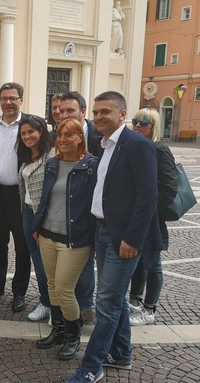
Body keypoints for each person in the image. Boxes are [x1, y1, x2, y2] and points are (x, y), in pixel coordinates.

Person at [67, 92, 161, 383]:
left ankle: (92, 367)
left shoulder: (138, 145)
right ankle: (122, 353)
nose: (97, 117)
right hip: (102, 231)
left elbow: (148, 197)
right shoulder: (103, 144)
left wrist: (133, 239)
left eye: (105, 112)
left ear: (123, 114)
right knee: (115, 300)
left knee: (106, 304)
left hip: (123, 237)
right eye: (95, 112)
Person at [33, 118, 97, 361]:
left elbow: (95, 206)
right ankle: (58, 331)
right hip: (48, 234)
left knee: (64, 289)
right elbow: (44, 198)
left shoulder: (91, 166)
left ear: (80, 137)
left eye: (69, 135)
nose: (63, 140)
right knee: (52, 286)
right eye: (60, 135)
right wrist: (38, 224)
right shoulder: (52, 163)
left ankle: (73, 336)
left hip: (75, 239)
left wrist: (93, 240)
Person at [0, 82, 31, 313]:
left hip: (21, 195)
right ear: (0, 100)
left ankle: (19, 292)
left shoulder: (31, 123)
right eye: (4, 98)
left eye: (13, 98)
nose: (8, 102)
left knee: (23, 246)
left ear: (21, 99)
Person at [129, 108, 178, 326]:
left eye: (144, 123)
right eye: (135, 121)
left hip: (151, 218)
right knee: (137, 261)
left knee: (152, 263)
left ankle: (149, 310)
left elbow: (169, 187)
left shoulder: (160, 149)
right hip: (135, 216)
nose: (138, 125)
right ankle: (135, 302)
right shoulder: (134, 147)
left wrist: (148, 210)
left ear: (153, 127)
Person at [59, 91, 103, 323]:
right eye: (61, 110)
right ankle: (64, 306)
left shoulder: (99, 136)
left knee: (85, 264)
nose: (64, 114)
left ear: (83, 112)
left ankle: (84, 306)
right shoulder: (54, 135)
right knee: (61, 267)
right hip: (61, 213)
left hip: (89, 212)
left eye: (70, 110)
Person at [16, 115, 54, 321]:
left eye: (31, 132)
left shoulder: (52, 157)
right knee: (37, 261)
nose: (27, 136)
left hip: (44, 217)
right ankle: (45, 301)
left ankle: (54, 304)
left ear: (41, 132)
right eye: (23, 133)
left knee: (48, 263)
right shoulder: (27, 158)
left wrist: (42, 222)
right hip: (28, 213)